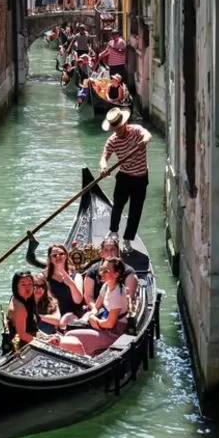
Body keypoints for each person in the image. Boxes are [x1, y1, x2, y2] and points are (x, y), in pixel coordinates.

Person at [99, 107, 153, 254]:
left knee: (135, 211)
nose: (117, 131)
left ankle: (128, 240)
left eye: (119, 128)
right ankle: (113, 232)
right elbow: (104, 156)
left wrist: (144, 140)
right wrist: (104, 167)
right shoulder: (113, 140)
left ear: (125, 123)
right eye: (115, 129)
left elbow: (148, 135)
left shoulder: (136, 130)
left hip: (141, 178)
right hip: (124, 177)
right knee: (117, 206)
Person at [64, 257, 129, 355]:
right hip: (103, 323)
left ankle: (82, 357)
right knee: (74, 324)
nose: (101, 273)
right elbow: (96, 306)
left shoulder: (118, 295)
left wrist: (96, 322)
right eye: (101, 269)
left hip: (113, 333)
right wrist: (91, 315)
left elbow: (110, 324)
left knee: (71, 335)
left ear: (116, 274)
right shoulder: (106, 286)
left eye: (106, 271)